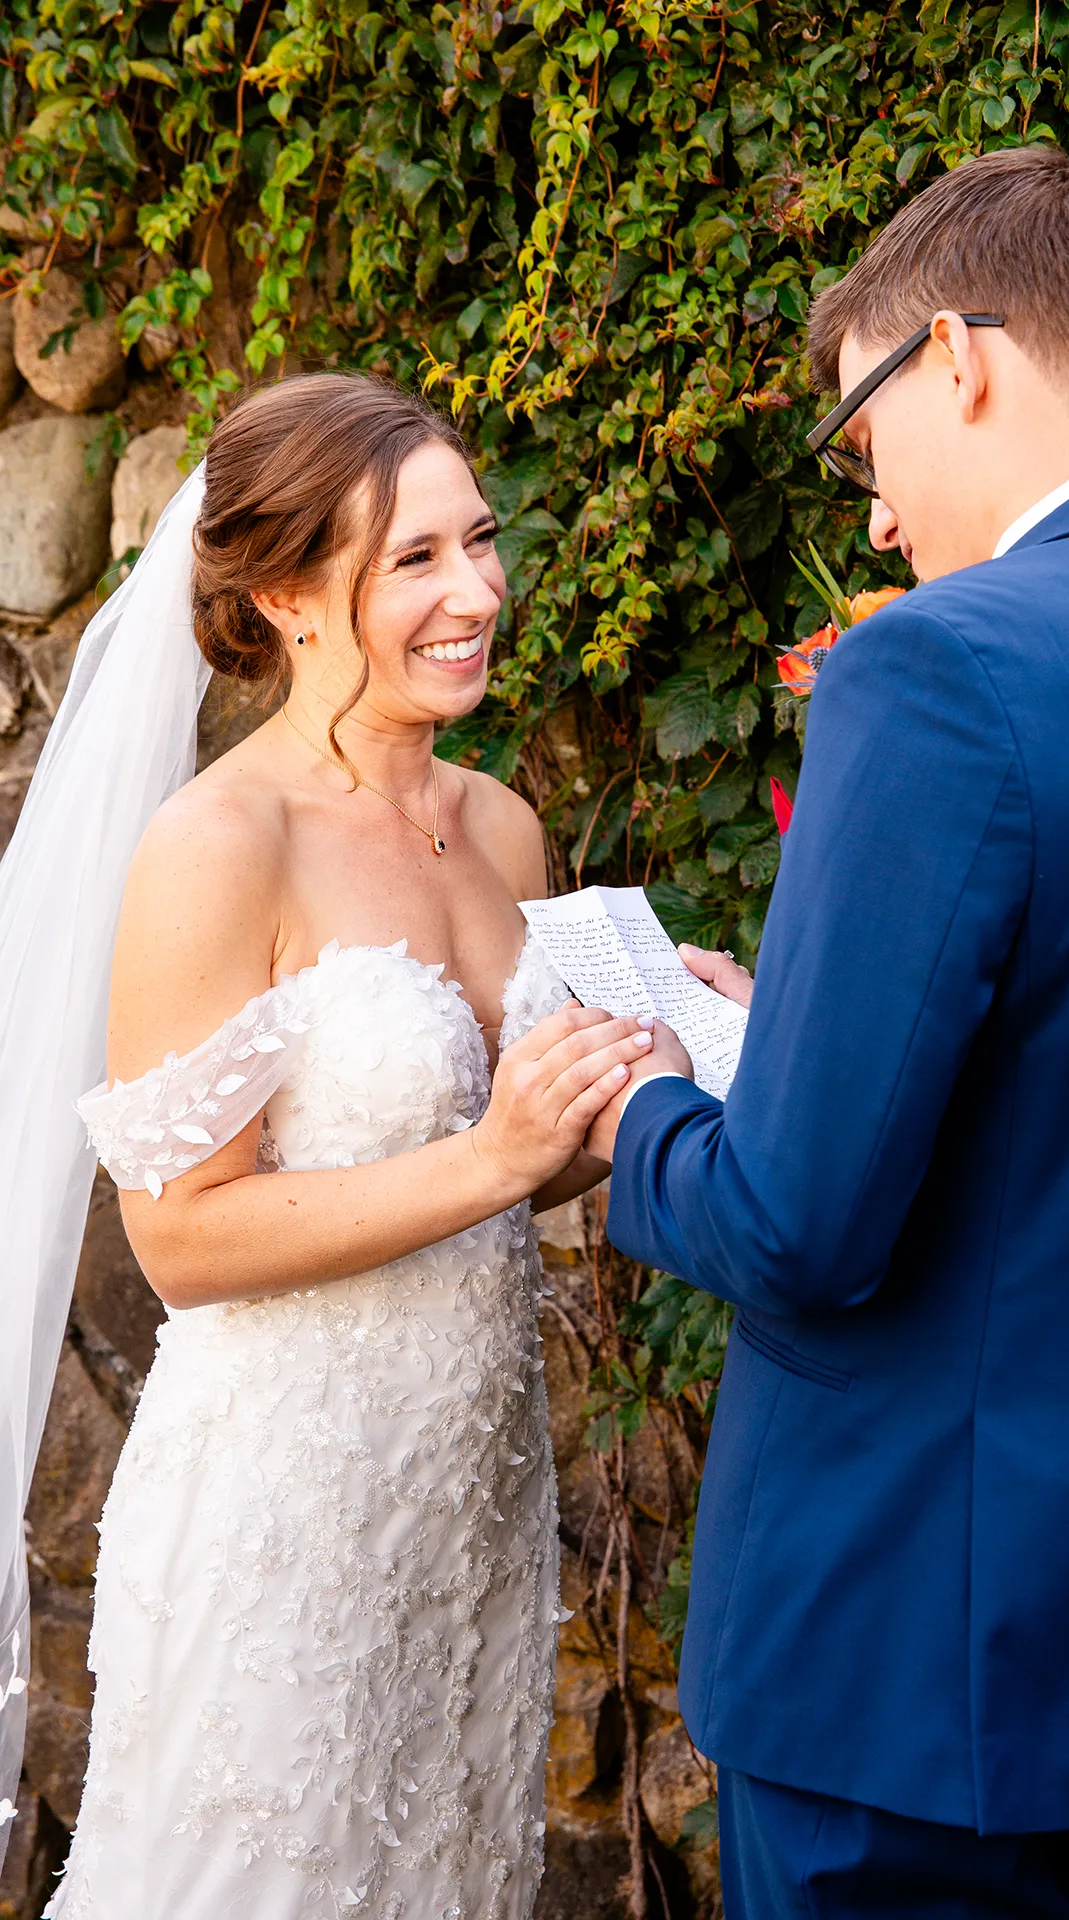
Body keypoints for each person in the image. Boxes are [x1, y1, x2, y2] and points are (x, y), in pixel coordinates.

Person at [588, 146, 1069, 1918]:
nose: (879, 516)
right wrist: (799, 1025)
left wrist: (649, 1108)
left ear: (957, 361)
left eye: (863, 439)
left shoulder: (948, 664)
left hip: (897, 1638)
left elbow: (796, 1224)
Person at [1, 373, 656, 1918]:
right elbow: (181, 1237)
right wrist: (498, 1163)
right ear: (290, 597)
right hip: (285, 1510)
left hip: (470, 1492)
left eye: (479, 543)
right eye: (415, 561)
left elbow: (519, 1148)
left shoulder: (502, 827)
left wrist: (627, 1077)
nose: (476, 591)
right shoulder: (222, 845)